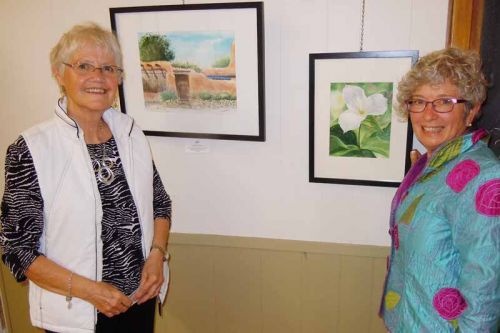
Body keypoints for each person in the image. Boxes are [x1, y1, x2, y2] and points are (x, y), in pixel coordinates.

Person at [0, 23, 172, 333]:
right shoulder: (32, 149)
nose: (98, 77)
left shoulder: (131, 133)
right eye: (84, 66)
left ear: (118, 78)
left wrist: (157, 257)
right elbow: (18, 250)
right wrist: (92, 292)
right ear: (58, 73)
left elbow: (160, 202)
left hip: (138, 302)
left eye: (108, 68)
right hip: (76, 314)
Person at [380, 48, 500, 332]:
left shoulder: (485, 178)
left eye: (444, 101)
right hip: (407, 321)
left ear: (472, 109)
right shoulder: (429, 164)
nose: (428, 114)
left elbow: (486, 289)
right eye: (419, 101)